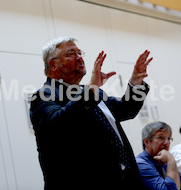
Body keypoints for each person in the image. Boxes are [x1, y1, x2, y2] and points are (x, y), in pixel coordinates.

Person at [30, 37, 152, 190]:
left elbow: (126, 110)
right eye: (71, 54)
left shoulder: (90, 91)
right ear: (53, 65)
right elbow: (59, 124)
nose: (79, 57)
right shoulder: (44, 95)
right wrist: (91, 90)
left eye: (80, 53)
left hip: (123, 179)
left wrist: (135, 83)